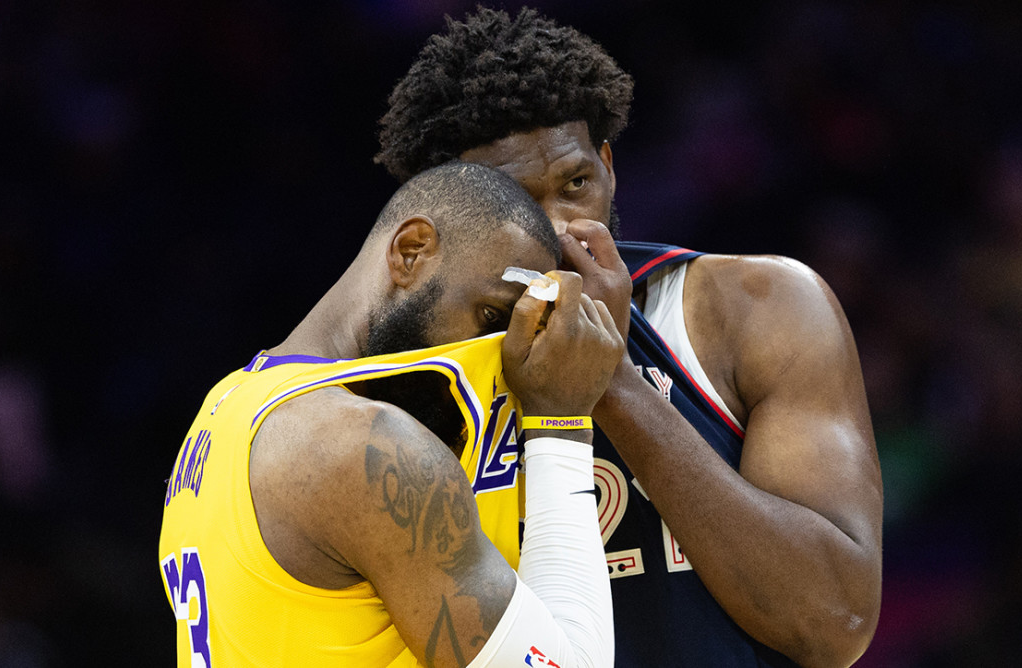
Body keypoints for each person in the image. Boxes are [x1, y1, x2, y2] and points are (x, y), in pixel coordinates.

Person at [374, 8, 883, 668]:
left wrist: (608, 377)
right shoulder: (393, 386)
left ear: (608, 168)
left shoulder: (754, 309)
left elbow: (833, 620)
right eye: (513, 203)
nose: (558, 229)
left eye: (576, 184)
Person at [158, 162, 625, 667]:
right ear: (411, 252)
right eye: (491, 317)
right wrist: (561, 422)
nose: (501, 357)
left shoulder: (224, 407)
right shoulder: (361, 445)